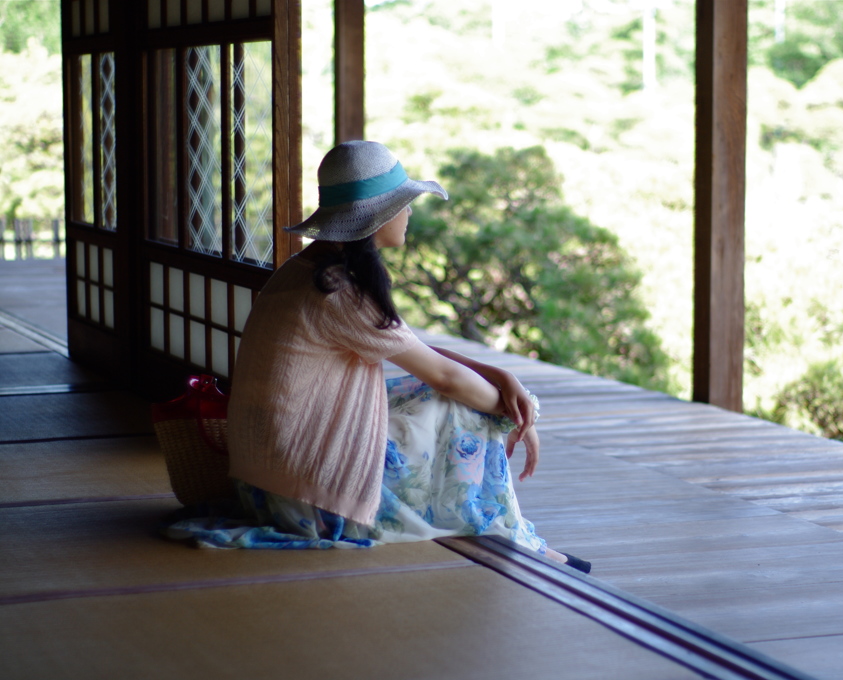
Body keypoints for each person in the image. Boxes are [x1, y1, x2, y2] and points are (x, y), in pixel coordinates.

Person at [162, 141, 590, 574]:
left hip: (265, 483)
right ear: (378, 215)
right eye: (404, 204)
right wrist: (520, 412)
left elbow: (416, 352)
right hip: (306, 499)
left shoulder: (308, 270)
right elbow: (445, 378)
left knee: (439, 392)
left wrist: (500, 376)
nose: (410, 213)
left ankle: (514, 533)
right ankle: (515, 538)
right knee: (459, 405)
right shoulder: (337, 289)